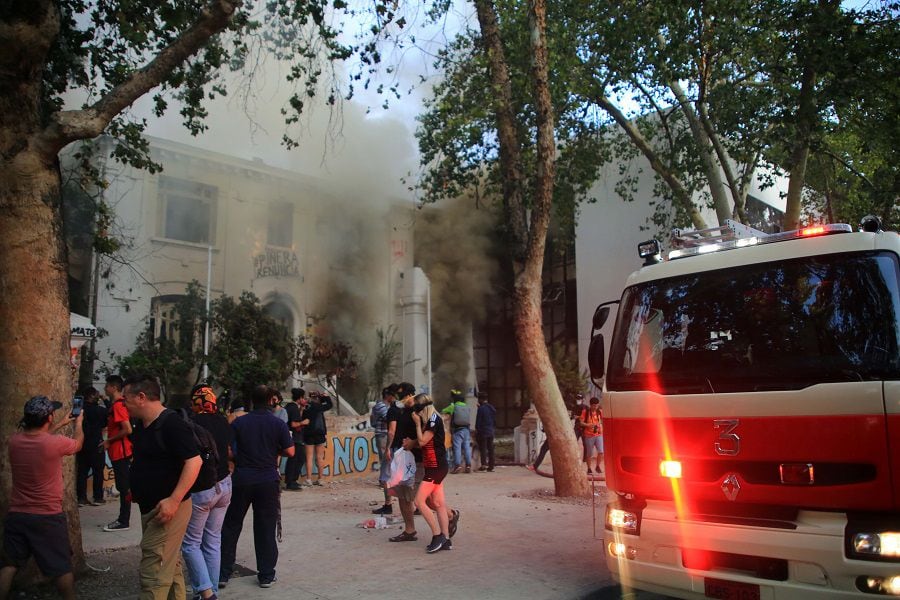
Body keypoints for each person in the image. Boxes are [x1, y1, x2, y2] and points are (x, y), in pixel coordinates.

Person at [124, 373, 202, 600]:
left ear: (141, 397)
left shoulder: (172, 424)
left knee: (153, 571)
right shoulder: (142, 425)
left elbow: (194, 461)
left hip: (168, 510)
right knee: (169, 567)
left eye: (125, 399)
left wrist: (174, 500)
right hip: (151, 507)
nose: (122, 405)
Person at [0, 396, 83, 600]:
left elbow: (37, 441)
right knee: (61, 567)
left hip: (17, 514)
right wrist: (78, 424)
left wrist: (60, 424)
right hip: (47, 516)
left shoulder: (14, 441)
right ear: (49, 417)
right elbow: (78, 444)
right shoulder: (55, 444)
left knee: (9, 564)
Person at [220, 385, 294, 589]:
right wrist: (273, 450)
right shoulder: (277, 424)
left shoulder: (239, 423)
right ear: (271, 400)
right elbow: (291, 451)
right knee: (265, 527)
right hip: (267, 480)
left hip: (242, 479)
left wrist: (240, 456)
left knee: (231, 525)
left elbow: (228, 451)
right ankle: (266, 575)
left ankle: (223, 573)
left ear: (252, 400)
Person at [181, 384, 234, 600]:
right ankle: (210, 592)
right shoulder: (223, 421)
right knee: (213, 540)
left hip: (202, 489)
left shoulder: (191, 424)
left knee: (191, 543)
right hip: (224, 485)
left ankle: (205, 591)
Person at [411, 394, 452, 553]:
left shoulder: (434, 420)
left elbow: (422, 442)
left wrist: (416, 425)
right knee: (438, 503)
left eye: (418, 409)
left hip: (436, 467)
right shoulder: (430, 420)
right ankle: (446, 539)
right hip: (434, 467)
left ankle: (437, 536)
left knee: (419, 501)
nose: (417, 413)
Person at [103, 374, 133, 532]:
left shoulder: (118, 406)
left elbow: (127, 429)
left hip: (121, 451)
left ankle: (124, 520)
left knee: (124, 487)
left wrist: (109, 440)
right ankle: (123, 518)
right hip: (119, 451)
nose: (105, 388)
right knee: (124, 487)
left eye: (107, 386)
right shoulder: (119, 404)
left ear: (114, 387)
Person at [76, 386, 108, 506]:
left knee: (82, 472)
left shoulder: (79, 409)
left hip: (82, 443)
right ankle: (98, 497)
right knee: (98, 472)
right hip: (97, 443)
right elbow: (108, 417)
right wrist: (104, 399)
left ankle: (81, 498)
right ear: (93, 396)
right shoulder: (101, 410)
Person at [300, 390, 332, 486]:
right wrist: (325, 397)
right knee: (320, 457)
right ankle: (320, 479)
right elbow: (330, 404)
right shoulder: (320, 407)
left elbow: (301, 417)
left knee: (309, 457)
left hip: (308, 434)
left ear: (309, 397)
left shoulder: (306, 407)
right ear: (318, 398)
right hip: (320, 433)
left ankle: (309, 479)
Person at [370, 385, 394, 514]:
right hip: (383, 436)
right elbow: (388, 420)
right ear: (388, 395)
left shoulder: (388, 406)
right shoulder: (381, 406)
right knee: (386, 466)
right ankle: (388, 504)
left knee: (389, 468)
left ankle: (388, 503)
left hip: (387, 436)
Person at [441, 389, 472, 474]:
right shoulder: (467, 406)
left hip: (457, 430)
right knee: (466, 448)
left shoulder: (453, 406)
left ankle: (457, 466)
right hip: (467, 430)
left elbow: (443, 411)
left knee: (457, 448)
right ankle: (468, 465)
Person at [283, 388, 306, 491]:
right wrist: (303, 422)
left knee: (295, 459)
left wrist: (301, 409)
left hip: (291, 437)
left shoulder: (290, 407)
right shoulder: (293, 408)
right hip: (295, 438)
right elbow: (294, 424)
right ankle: (291, 481)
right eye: (303, 397)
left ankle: (291, 480)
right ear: (300, 398)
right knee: (298, 459)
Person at [578, 396, 604, 475]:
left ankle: (597, 466)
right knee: (589, 453)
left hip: (599, 434)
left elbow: (603, 420)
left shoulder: (600, 411)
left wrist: (600, 425)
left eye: (596, 405)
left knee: (601, 452)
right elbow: (581, 422)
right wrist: (588, 425)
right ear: (591, 405)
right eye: (594, 405)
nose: (595, 407)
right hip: (589, 435)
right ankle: (589, 468)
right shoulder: (585, 412)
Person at [474, 391, 496, 472]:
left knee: (483, 448)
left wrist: (477, 429)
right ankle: (491, 466)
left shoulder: (481, 409)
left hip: (483, 431)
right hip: (491, 430)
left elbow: (478, 421)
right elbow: (494, 418)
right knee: (490, 449)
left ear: (480, 399)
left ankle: (483, 465)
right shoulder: (491, 407)